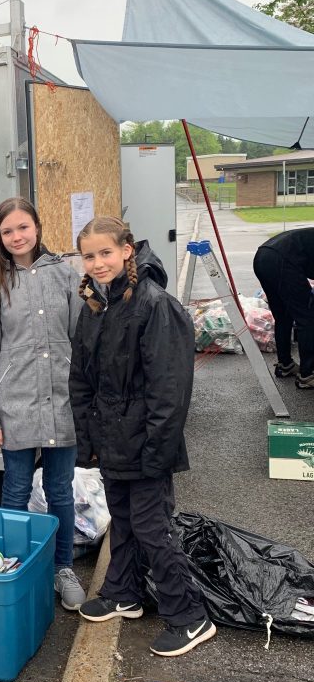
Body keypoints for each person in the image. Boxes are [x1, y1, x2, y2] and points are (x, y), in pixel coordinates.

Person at [70, 216, 216, 657]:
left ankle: (189, 617)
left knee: (155, 530)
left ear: (127, 250)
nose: (98, 263)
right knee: (125, 522)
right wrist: (87, 439)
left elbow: (169, 392)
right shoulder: (96, 306)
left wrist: (157, 451)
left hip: (147, 444)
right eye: (90, 255)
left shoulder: (155, 305)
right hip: (112, 441)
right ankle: (123, 593)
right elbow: (82, 378)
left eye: (106, 253)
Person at [0, 198, 86, 610]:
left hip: (61, 401)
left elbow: (82, 341)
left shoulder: (65, 275)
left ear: (37, 227)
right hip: (16, 403)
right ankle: (15, 564)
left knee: (61, 489)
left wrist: (86, 402)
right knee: (16, 489)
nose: (17, 236)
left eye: (23, 227)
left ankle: (62, 566)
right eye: (8, 231)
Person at [253, 227, 314, 388]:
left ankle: (285, 365)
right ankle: (308, 375)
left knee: (284, 316)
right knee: (307, 317)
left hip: (263, 257)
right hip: (282, 260)